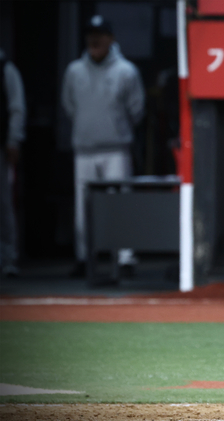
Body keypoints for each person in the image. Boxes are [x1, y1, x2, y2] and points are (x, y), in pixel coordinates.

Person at [61, 15, 145, 277]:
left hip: (116, 148)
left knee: (120, 204)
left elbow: (137, 109)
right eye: (91, 35)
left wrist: (114, 127)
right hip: (85, 149)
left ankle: (125, 258)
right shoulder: (74, 71)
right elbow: (69, 106)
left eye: (100, 35)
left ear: (111, 38)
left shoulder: (126, 71)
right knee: (83, 209)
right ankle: (84, 258)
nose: (95, 40)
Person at [0, 48, 26, 278]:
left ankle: (8, 257)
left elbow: (16, 108)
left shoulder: (5, 68)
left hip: (1, 147)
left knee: (3, 203)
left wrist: (13, 140)